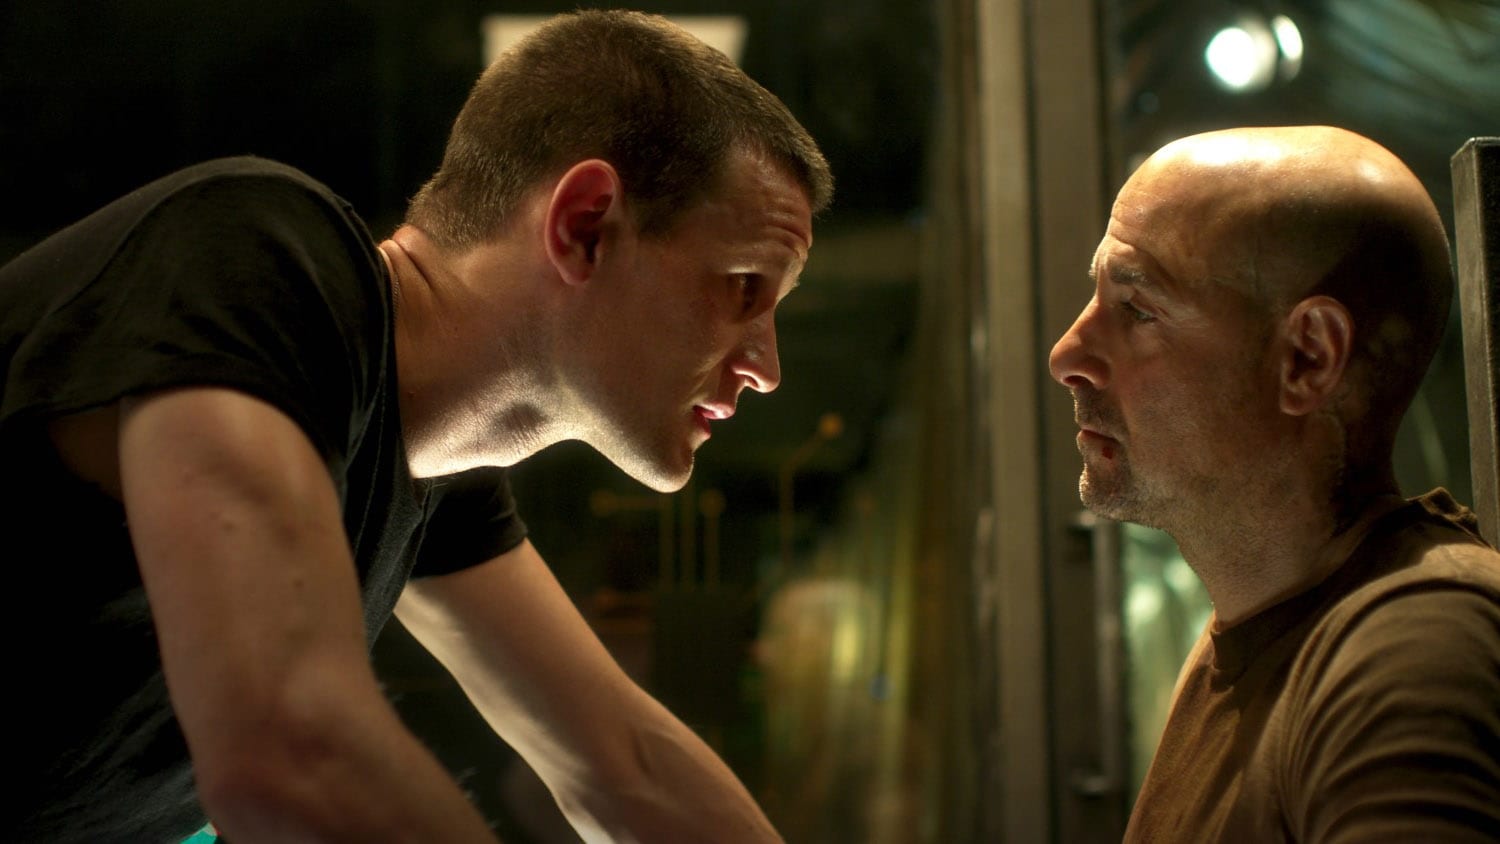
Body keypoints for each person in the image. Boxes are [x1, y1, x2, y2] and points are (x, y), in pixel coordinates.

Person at [1, 10, 832, 843]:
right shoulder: (253, 259)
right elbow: (293, 754)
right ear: (585, 226)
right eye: (743, 286)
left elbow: (627, 769)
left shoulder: (431, 476)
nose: (767, 366)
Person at [1049, 125, 1500, 841]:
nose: (1067, 354)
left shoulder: (1414, 649)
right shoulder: (1251, 635)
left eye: (1137, 309)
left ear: (1308, 357)